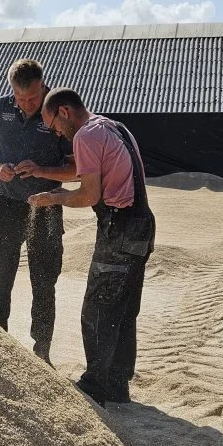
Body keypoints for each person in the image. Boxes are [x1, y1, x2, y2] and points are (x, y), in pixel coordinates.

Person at [28, 87, 155, 405]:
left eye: (55, 127)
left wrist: (51, 199)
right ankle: (117, 383)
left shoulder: (84, 135)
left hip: (120, 228)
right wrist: (42, 171)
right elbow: (84, 169)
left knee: (96, 310)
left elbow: (89, 194)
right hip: (142, 226)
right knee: (123, 311)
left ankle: (96, 384)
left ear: (64, 112)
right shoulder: (111, 126)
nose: (58, 135)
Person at [0, 59, 77, 363]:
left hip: (46, 205)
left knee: (44, 281)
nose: (27, 104)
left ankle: (41, 351)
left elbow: (77, 170)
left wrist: (42, 169)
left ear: (43, 85)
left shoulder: (59, 111)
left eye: (32, 98)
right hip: (7, 206)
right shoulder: (0, 108)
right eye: (20, 99)